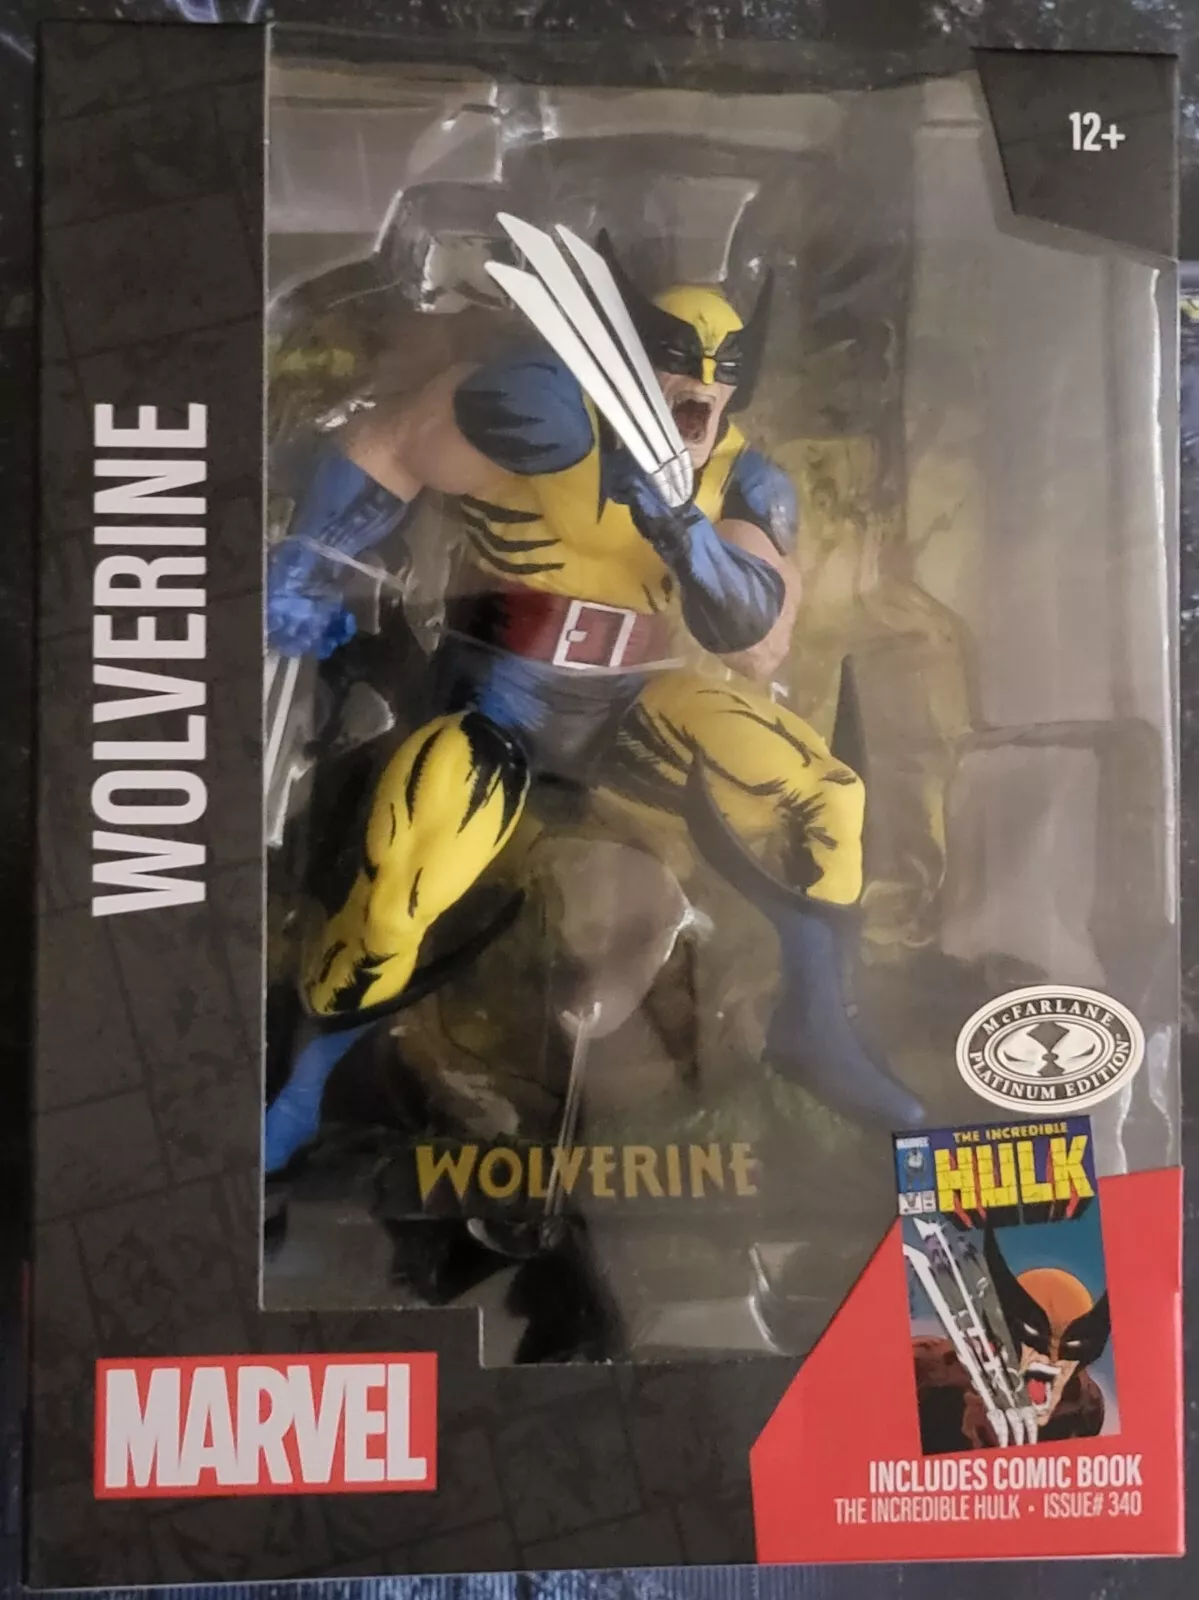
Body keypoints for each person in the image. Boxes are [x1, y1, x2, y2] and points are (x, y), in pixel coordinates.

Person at [264, 231, 923, 1174]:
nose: (699, 388)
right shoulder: (541, 415)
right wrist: (309, 563)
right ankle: (305, 1082)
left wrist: (680, 526)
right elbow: (394, 442)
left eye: (721, 370)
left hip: (633, 703)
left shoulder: (740, 475)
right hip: (499, 703)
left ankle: (815, 1026)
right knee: (403, 888)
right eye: (678, 359)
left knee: (826, 797)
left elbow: (757, 638)